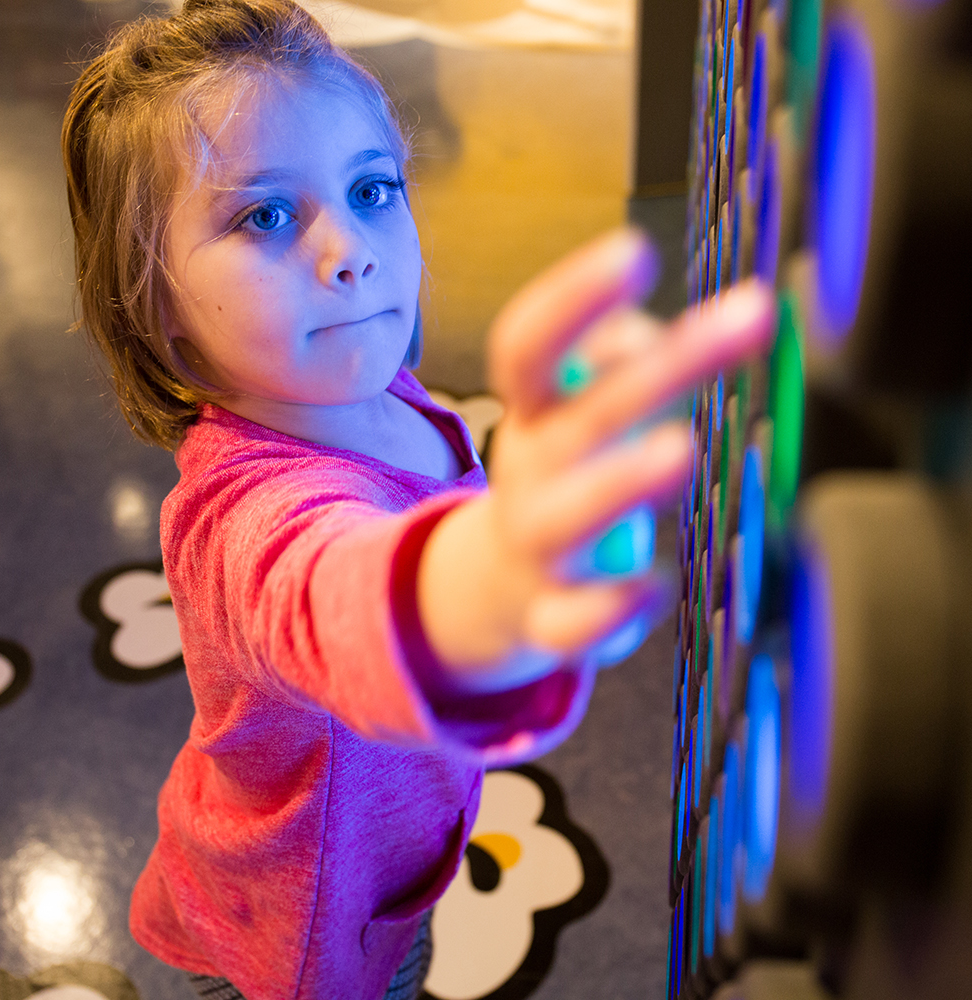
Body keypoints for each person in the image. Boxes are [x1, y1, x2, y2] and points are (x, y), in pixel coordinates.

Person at [60, 1, 773, 997]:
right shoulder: (246, 514)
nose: (351, 250)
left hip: (393, 871)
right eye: (264, 215)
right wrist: (482, 583)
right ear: (158, 309)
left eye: (372, 188)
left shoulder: (377, 387)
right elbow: (331, 593)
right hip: (298, 940)